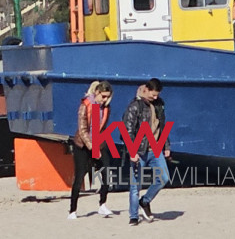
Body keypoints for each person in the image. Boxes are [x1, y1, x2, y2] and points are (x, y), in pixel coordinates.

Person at [124, 78, 169, 226]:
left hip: (155, 148)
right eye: (153, 94)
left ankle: (145, 201)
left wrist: (166, 146)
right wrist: (132, 151)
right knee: (135, 185)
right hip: (139, 150)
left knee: (164, 178)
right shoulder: (135, 106)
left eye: (157, 95)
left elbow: (162, 126)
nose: (155, 97)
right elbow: (127, 130)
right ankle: (133, 216)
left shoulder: (159, 104)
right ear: (146, 90)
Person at [69, 81, 115, 220]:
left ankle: (102, 204)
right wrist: (92, 147)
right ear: (97, 93)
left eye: (108, 97)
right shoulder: (86, 105)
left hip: (98, 142)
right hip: (82, 145)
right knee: (79, 176)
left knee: (107, 172)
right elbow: (83, 131)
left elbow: (102, 128)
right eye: (103, 96)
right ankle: (72, 210)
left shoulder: (105, 108)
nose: (105, 99)